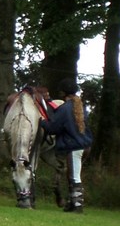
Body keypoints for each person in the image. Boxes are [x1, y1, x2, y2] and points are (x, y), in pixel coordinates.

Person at [40, 77, 93, 212]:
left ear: (63, 93)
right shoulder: (81, 106)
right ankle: (71, 202)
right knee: (73, 173)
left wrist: (42, 122)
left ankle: (77, 205)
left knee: (74, 176)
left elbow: (53, 128)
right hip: (85, 145)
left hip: (74, 146)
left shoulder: (64, 109)